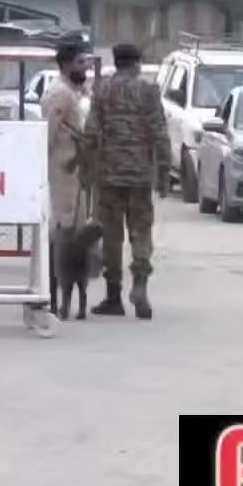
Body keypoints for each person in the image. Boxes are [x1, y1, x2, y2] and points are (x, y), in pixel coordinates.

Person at [84, 44, 171, 320]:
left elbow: (91, 133)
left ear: (116, 63)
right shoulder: (149, 91)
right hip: (140, 175)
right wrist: (165, 170)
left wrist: (87, 170)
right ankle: (140, 284)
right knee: (141, 231)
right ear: (137, 64)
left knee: (111, 235)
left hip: (109, 175)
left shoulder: (102, 90)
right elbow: (160, 131)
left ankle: (113, 296)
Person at [43, 44, 93, 316]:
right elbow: (48, 134)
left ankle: (65, 299)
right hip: (62, 171)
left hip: (73, 171)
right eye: (79, 62)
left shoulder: (71, 92)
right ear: (65, 65)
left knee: (73, 231)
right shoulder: (60, 94)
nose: (84, 67)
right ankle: (52, 296)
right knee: (63, 233)